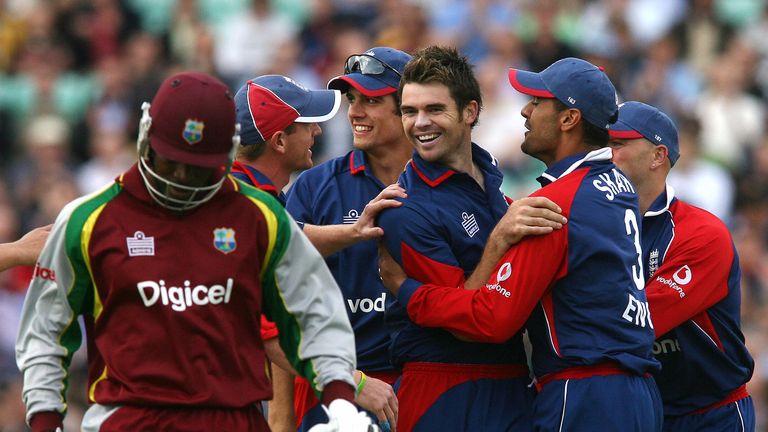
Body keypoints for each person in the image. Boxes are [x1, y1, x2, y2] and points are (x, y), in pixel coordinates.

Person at [15, 71, 375, 432]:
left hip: (234, 420)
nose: (184, 178)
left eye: (200, 168)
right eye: (173, 162)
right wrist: (46, 419)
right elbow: (46, 331)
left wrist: (340, 400)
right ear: (145, 137)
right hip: (129, 421)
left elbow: (315, 312)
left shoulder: (261, 217)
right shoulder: (88, 220)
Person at [379, 57, 663, 431]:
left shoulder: (554, 205)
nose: (526, 111)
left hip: (582, 395)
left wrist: (408, 290)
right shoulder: (617, 184)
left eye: (538, 102)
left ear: (568, 119)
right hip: (634, 390)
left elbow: (489, 320)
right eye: (409, 110)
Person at [375, 46, 563, 432]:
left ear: (470, 112)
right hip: (442, 386)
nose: (419, 123)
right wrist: (500, 238)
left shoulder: (489, 175)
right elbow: (466, 320)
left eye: (434, 109)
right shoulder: (404, 208)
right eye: (409, 112)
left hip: (511, 380)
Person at [285, 46, 412, 432]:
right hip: (337, 387)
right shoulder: (313, 187)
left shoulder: (450, 183)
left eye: (370, 100)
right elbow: (276, 306)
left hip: (425, 381)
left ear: (407, 106)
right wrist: (279, 416)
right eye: (351, 99)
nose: (354, 111)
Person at [608, 101, 755, 431]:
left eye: (618, 144)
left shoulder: (702, 233)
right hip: (647, 409)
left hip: (710, 413)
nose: (608, 154)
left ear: (658, 156)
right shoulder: (599, 225)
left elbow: (639, 320)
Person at [232, 73, 343, 432]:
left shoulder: (242, 195)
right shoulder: (248, 209)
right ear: (279, 141)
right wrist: (352, 385)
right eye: (307, 124)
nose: (318, 132)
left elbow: (293, 236)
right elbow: (273, 336)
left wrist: (356, 232)